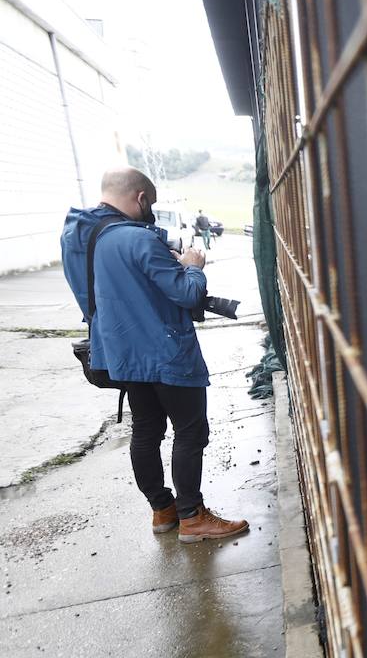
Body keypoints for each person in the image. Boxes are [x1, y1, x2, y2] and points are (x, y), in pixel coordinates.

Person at [60, 168, 249, 542]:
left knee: (145, 430)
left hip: (121, 352)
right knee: (190, 430)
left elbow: (91, 298)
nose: (151, 211)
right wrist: (193, 267)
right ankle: (192, 517)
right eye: (152, 203)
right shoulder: (138, 239)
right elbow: (187, 294)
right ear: (141, 198)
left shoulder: (80, 237)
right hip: (165, 349)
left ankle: (163, 511)